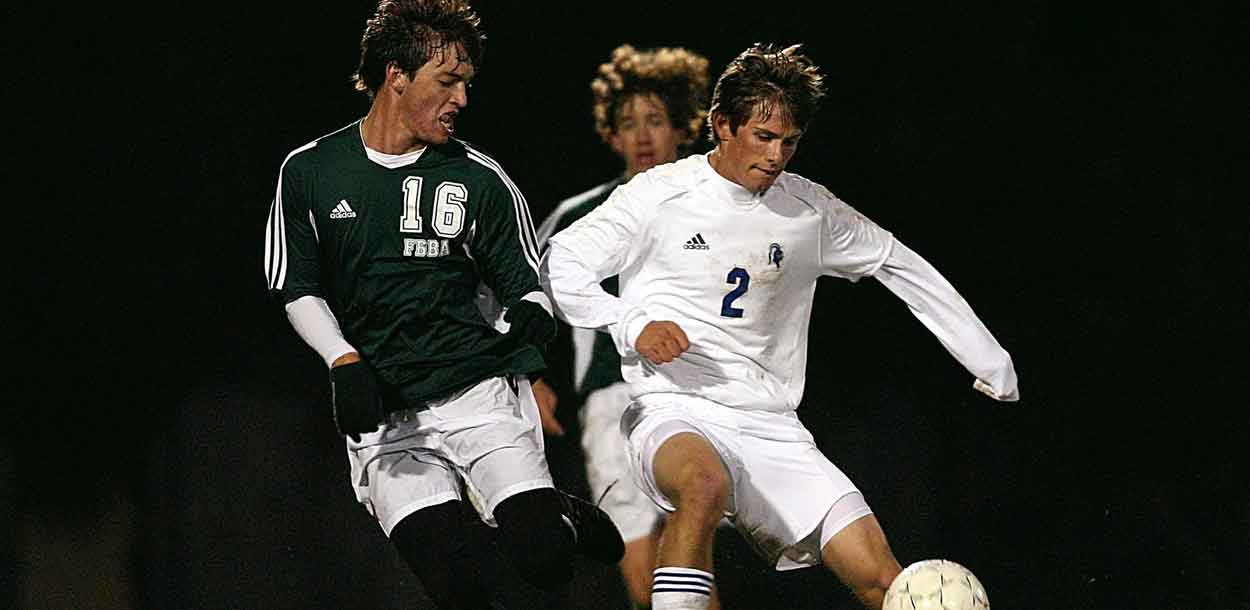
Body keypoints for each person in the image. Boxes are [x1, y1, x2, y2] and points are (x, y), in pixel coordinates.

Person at [541, 43, 1019, 610]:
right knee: (702, 486)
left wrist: (990, 360)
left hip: (773, 428)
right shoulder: (658, 196)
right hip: (673, 408)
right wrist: (629, 321)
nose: (775, 156)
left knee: (886, 583)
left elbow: (899, 264)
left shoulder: (809, 211)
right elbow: (558, 263)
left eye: (789, 142)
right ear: (722, 124)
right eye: (764, 137)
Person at [261, 1, 623, 608]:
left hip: (478, 393)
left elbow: (524, 281)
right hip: (388, 415)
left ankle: (558, 514)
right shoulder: (311, 171)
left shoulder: (479, 177)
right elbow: (297, 287)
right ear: (396, 75)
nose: (462, 99)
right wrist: (342, 360)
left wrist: (531, 313)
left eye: (467, 84)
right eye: (448, 81)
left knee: (545, 560)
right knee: (455, 588)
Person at [534, 44, 716, 610]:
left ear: (684, 128)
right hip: (611, 400)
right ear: (611, 136)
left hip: (695, 396)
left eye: (655, 120)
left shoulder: (717, 210)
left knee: (688, 563)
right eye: (628, 123)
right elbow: (523, 295)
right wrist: (529, 375)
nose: (642, 136)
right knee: (644, 572)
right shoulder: (578, 217)